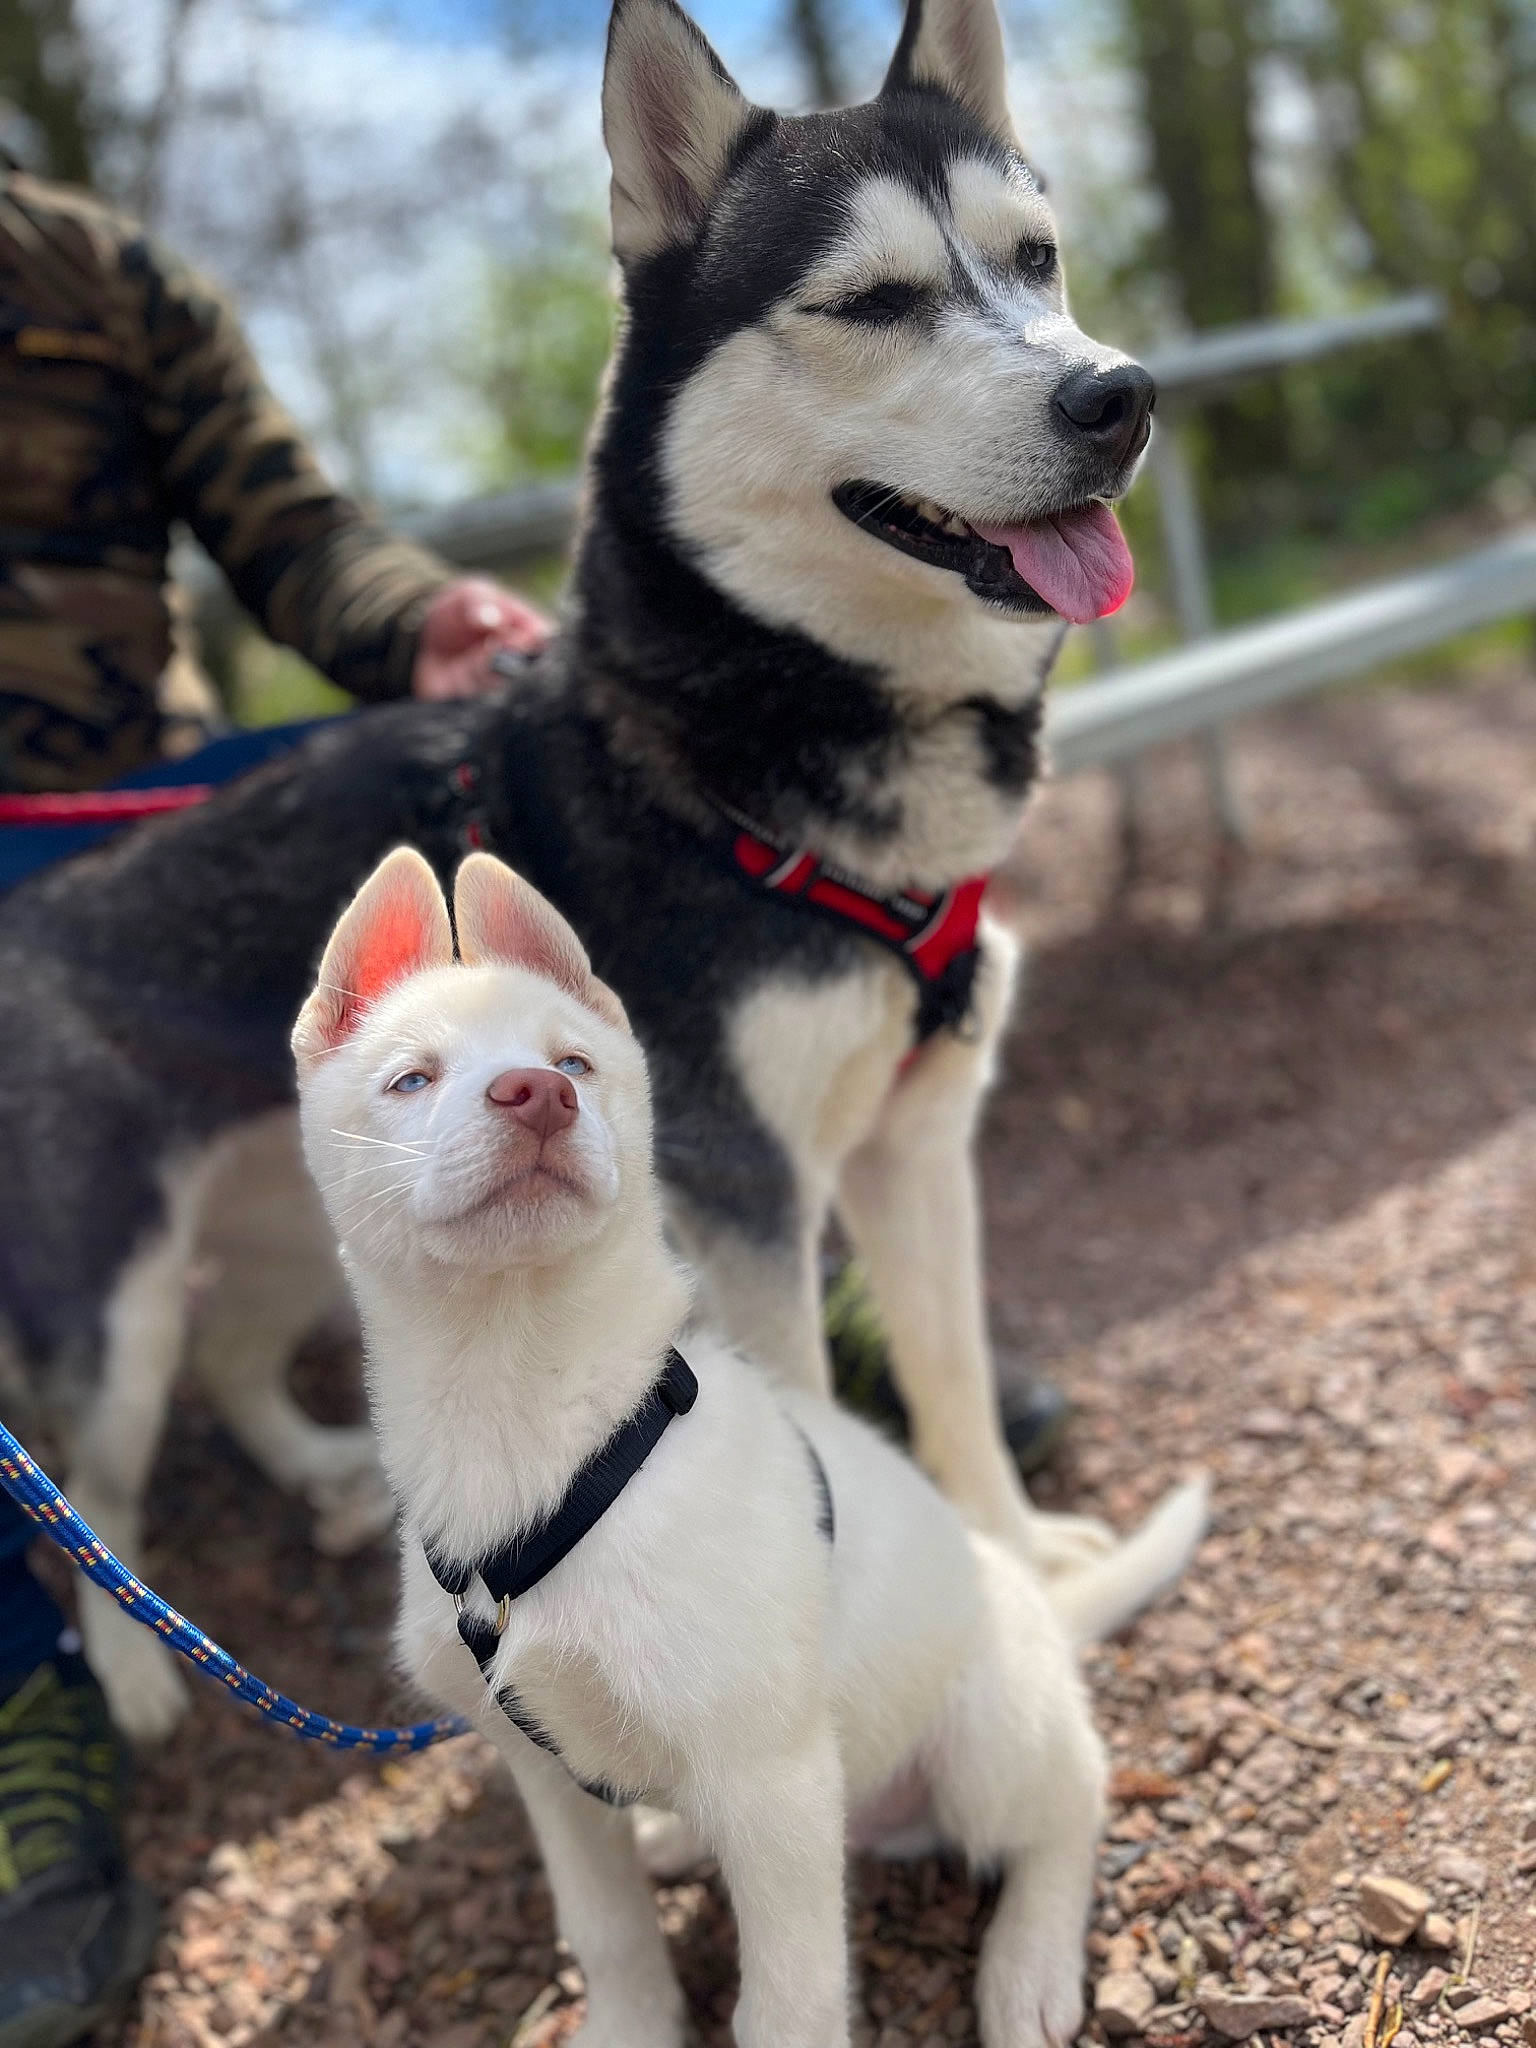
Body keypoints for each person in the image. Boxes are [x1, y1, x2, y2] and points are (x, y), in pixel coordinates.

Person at [0, 160, 549, 2047]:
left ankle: (724, 1325)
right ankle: (43, 1657)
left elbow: (291, 527)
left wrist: (423, 630)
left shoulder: (101, 269)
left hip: (134, 833)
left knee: (512, 769)